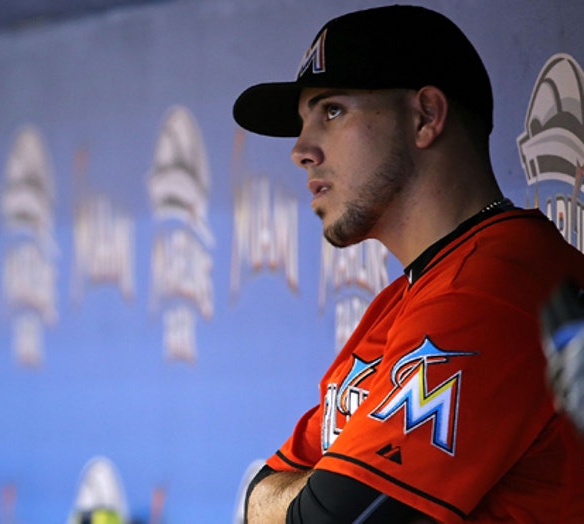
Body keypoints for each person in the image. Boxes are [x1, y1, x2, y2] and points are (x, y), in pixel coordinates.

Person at [232, 5, 584, 523]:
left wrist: (289, 496)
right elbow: (265, 487)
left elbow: (328, 518)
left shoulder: (494, 288)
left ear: (425, 117)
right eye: (303, 122)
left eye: (331, 111)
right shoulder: (407, 299)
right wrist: (288, 498)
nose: (301, 150)